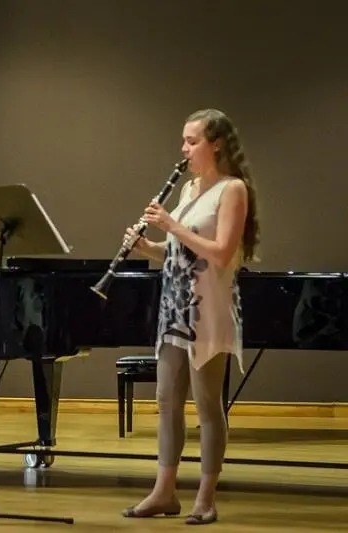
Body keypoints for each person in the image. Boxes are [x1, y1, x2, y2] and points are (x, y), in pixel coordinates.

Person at [121, 108, 260, 525]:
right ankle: (164, 493)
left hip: (209, 309)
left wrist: (170, 225)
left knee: (207, 404)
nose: (183, 149)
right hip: (175, 306)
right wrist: (147, 247)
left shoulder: (232, 190)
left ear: (215, 144)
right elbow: (179, 252)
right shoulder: (189, 188)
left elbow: (221, 252)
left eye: (192, 141)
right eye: (184, 140)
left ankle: (205, 498)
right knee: (166, 400)